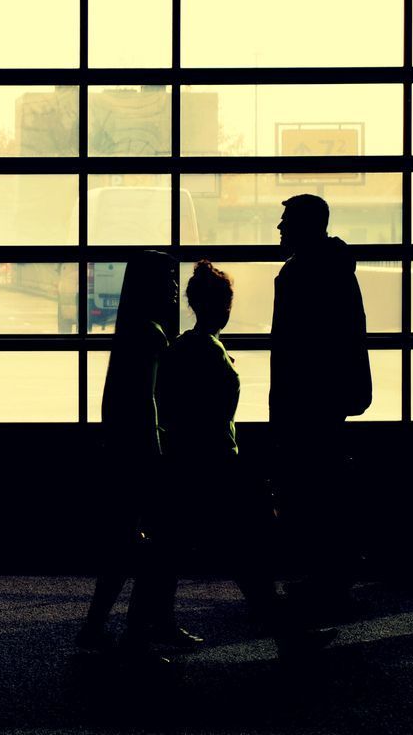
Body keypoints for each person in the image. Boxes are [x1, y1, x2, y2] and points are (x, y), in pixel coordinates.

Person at [159, 260, 337, 658]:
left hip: (192, 464)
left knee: (180, 553)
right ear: (222, 306)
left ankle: (149, 630)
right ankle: (290, 637)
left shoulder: (185, 349)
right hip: (214, 466)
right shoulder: (209, 351)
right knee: (246, 560)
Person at [77, 251, 200, 653]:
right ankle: (148, 628)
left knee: (123, 545)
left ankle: (103, 626)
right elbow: (146, 401)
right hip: (142, 453)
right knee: (162, 545)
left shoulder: (129, 329)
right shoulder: (151, 333)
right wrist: (158, 452)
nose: (174, 287)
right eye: (168, 279)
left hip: (121, 450)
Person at [270, 194, 372, 622]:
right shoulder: (339, 271)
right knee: (327, 488)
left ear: (304, 227)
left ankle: (322, 581)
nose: (279, 228)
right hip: (328, 399)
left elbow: (290, 349)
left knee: (308, 491)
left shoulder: (296, 276)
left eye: (285, 221)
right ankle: (333, 582)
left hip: (302, 402)